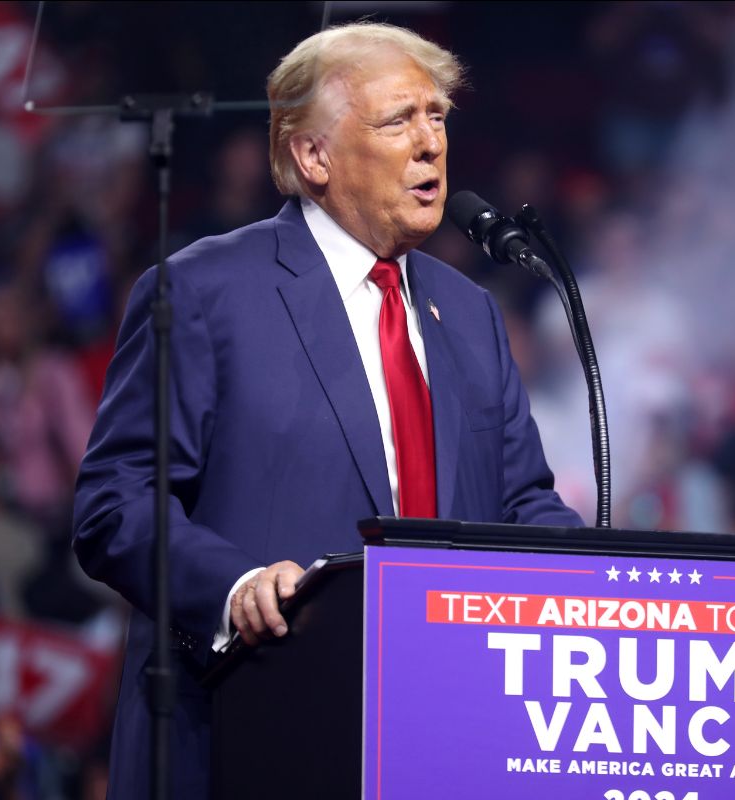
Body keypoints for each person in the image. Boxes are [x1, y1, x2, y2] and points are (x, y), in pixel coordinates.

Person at [71, 23, 581, 799]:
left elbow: (523, 504)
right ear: (313, 156)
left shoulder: (469, 312)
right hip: (253, 726)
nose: (430, 145)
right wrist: (235, 584)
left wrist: (601, 582)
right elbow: (114, 503)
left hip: (441, 739)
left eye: (437, 117)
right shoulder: (206, 293)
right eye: (397, 121)